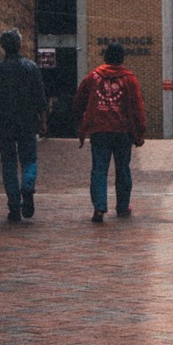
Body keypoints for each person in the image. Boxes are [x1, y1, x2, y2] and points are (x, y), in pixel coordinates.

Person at [72, 42, 146, 223]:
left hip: (99, 130)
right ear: (122, 58)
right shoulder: (129, 79)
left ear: (105, 57)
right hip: (123, 131)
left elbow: (78, 100)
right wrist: (140, 132)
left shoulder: (93, 77)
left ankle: (99, 207)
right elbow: (137, 107)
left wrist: (80, 121)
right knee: (123, 169)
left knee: (99, 169)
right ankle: (122, 206)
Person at [0, 28, 48, 222]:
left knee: (9, 164)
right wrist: (43, 121)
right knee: (29, 159)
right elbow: (40, 98)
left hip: (4, 123)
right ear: (19, 45)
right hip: (27, 122)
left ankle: (14, 207)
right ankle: (27, 187)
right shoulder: (31, 67)